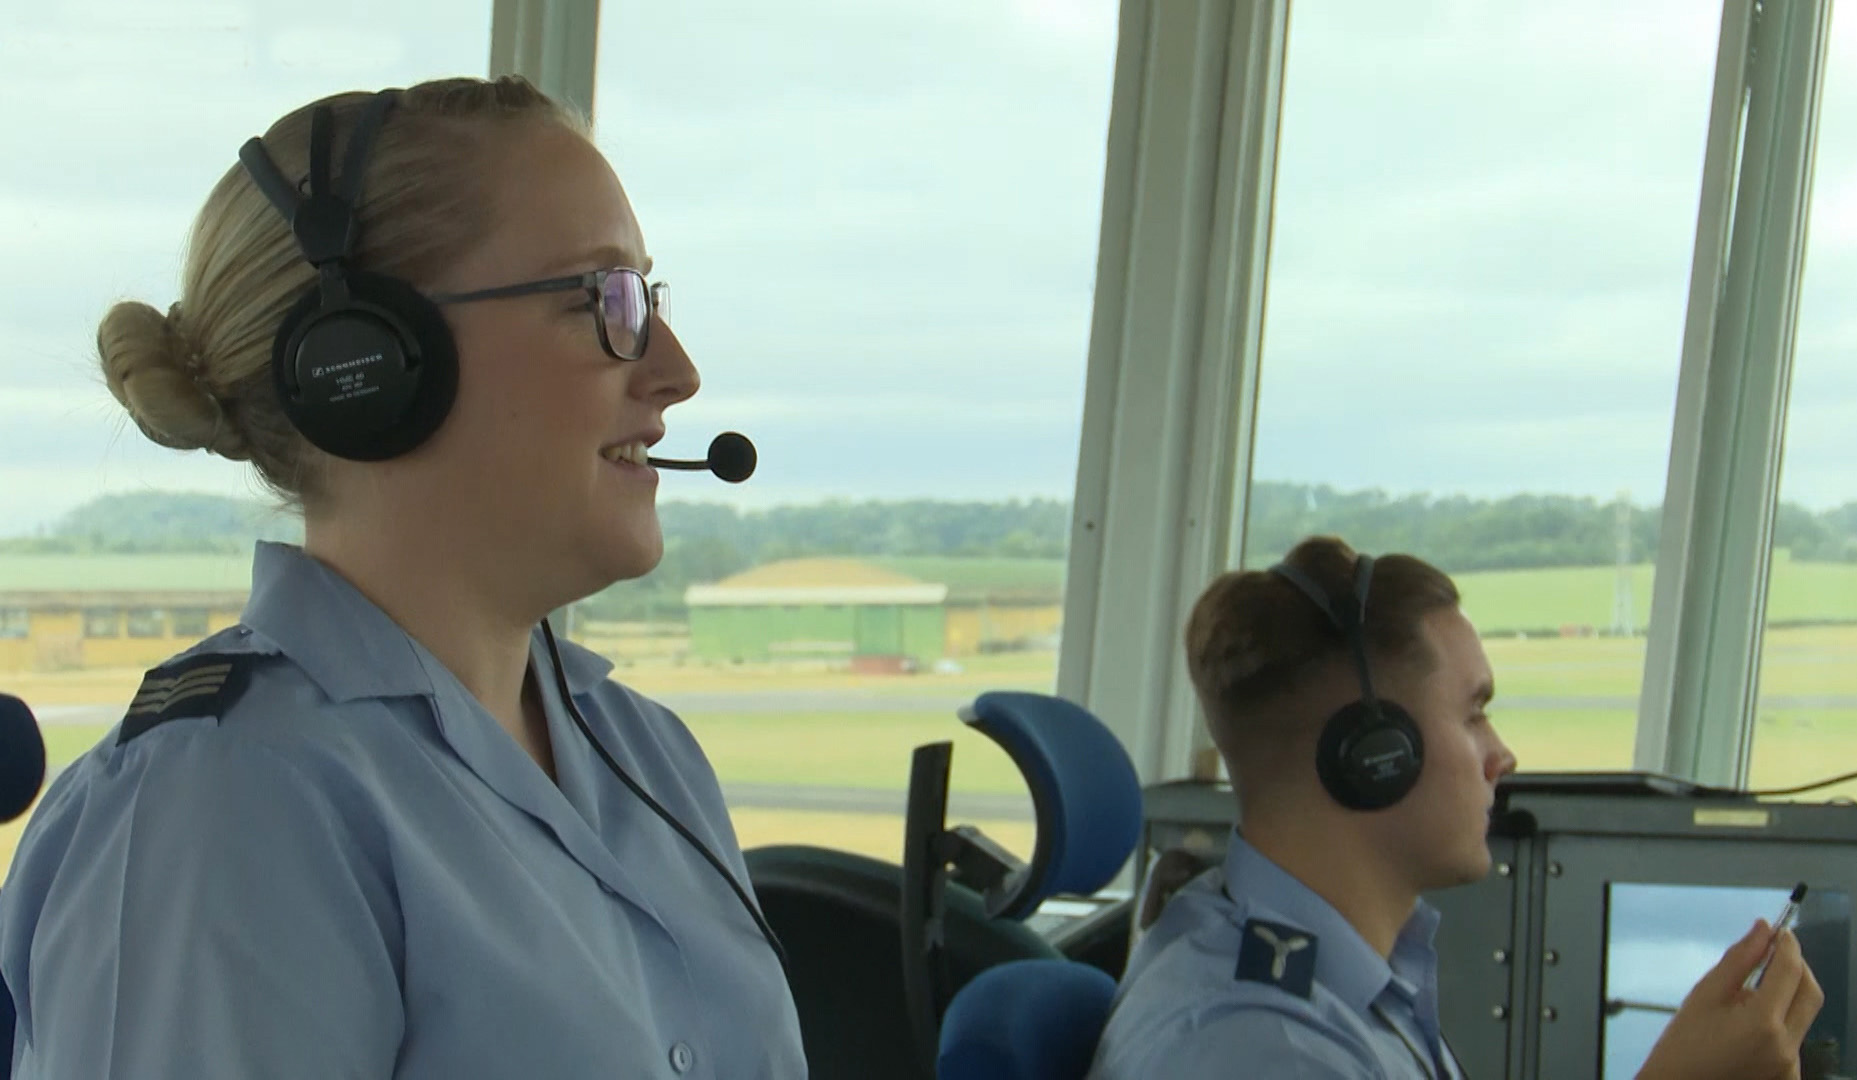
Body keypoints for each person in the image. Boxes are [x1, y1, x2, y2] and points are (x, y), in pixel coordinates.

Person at [0, 76, 805, 1078]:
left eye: (644, 296)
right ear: (370, 361)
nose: (675, 369)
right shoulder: (223, 806)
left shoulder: (649, 752)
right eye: (601, 299)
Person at [1087, 536, 1824, 1080]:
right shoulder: (1259, 1047)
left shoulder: (1316, 970)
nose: (1501, 756)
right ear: (1373, 755)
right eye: (1473, 715)